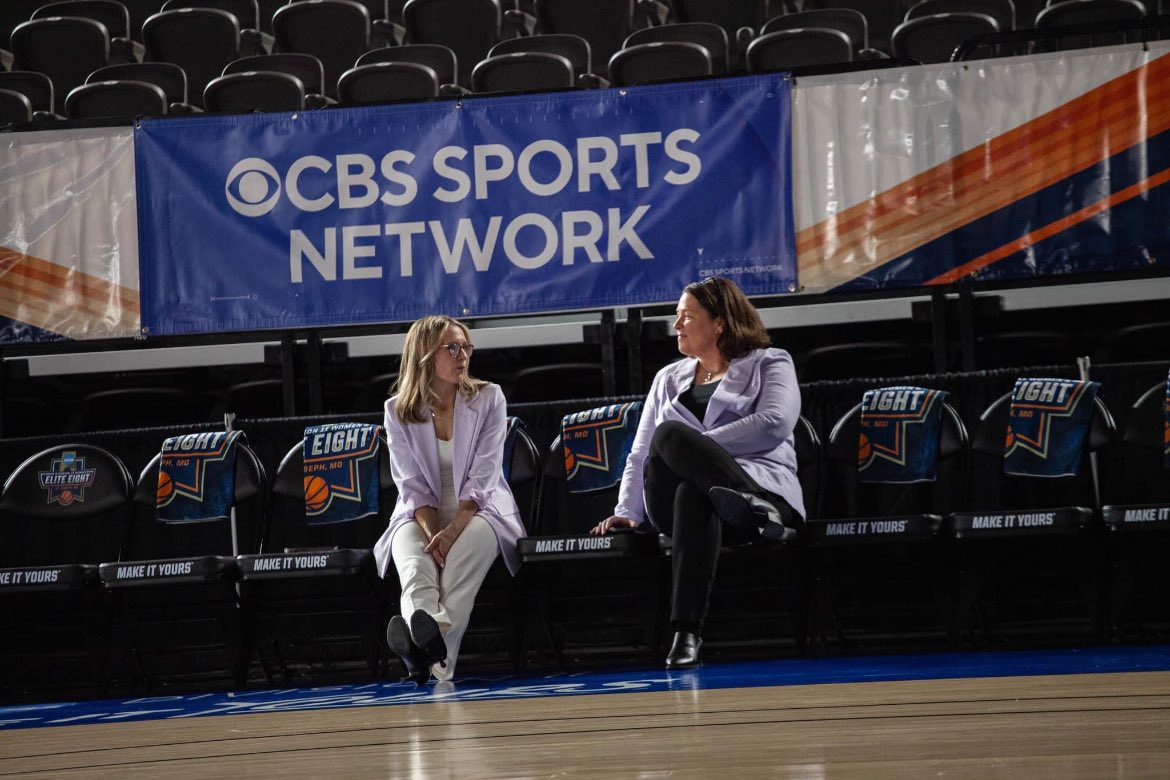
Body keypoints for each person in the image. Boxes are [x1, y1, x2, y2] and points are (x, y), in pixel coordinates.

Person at [589, 277, 804, 669]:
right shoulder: (667, 378)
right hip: (697, 504)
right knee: (669, 437)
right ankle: (748, 504)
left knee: (693, 491)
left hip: (766, 487)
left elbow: (775, 422)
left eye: (687, 316)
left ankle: (686, 633)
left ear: (719, 323)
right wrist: (629, 511)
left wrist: (696, 446)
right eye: (677, 316)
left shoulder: (770, 362)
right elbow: (640, 453)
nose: (677, 325)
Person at [373, 315, 526, 684]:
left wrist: (453, 529)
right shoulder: (397, 409)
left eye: (466, 346)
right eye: (452, 348)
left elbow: (484, 476)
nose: (463, 356)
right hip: (418, 513)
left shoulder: (489, 397)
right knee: (414, 566)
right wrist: (431, 532)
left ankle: (419, 651)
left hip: (482, 511)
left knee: (457, 571)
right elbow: (410, 484)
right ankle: (436, 662)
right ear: (425, 354)